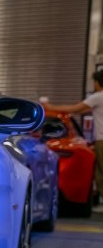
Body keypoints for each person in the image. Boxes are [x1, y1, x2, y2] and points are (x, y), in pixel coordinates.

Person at [43, 70, 103, 210]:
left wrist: (50, 107)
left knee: (101, 171)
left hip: (102, 139)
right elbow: (79, 111)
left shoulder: (98, 97)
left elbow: (74, 108)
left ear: (97, 82)